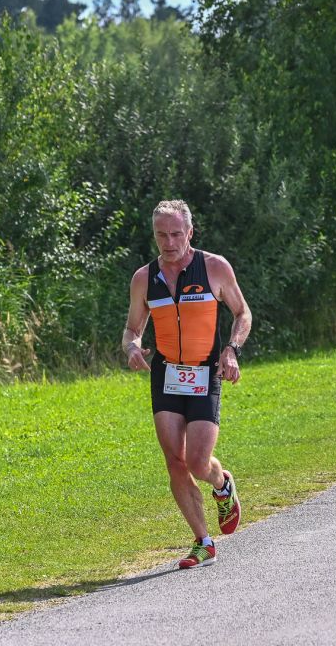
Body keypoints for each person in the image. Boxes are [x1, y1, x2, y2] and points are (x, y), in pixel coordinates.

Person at [123, 199, 252, 569]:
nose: (169, 242)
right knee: (175, 461)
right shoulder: (144, 278)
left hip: (205, 372)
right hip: (166, 374)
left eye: (176, 234)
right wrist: (132, 347)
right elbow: (132, 328)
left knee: (197, 461)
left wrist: (231, 350)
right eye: (161, 234)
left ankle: (221, 484)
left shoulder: (214, 268)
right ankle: (203, 541)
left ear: (190, 232)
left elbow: (242, 313)